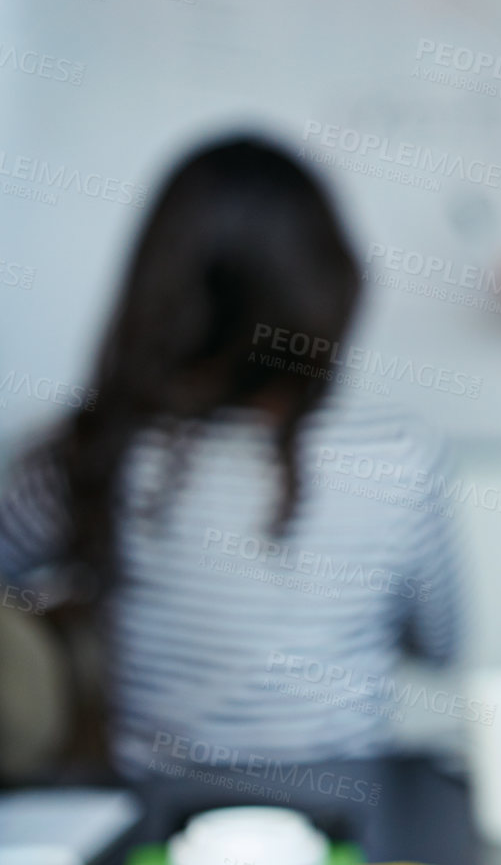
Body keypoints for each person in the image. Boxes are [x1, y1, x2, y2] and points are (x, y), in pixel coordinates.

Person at [0, 137, 460, 782]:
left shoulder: (88, 447)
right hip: (345, 818)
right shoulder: (400, 455)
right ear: (328, 287)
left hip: (155, 821)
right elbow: (441, 647)